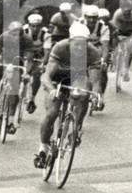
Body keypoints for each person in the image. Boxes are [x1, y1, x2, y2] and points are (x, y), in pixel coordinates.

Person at [33, 22, 103, 170]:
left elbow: (95, 80)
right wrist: (52, 90)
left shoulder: (93, 52)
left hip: (77, 77)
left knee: (84, 94)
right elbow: (46, 76)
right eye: (76, 45)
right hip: (56, 79)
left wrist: (96, 95)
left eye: (83, 45)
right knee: (52, 112)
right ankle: (43, 148)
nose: (79, 48)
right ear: (70, 41)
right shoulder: (60, 47)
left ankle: (76, 128)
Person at [0, 21, 34, 134]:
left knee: (14, 91)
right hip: (4, 59)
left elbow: (30, 60)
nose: (16, 37)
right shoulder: (3, 37)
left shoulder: (27, 39)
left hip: (17, 62)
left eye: (18, 34)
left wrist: (27, 73)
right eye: (13, 34)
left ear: (22, 34)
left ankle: (10, 120)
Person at [110, 0, 132, 80]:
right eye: (125, 11)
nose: (127, 13)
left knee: (129, 49)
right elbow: (113, 26)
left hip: (130, 32)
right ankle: (113, 60)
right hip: (119, 30)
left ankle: (126, 71)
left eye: (129, 11)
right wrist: (115, 38)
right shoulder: (118, 13)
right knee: (114, 45)